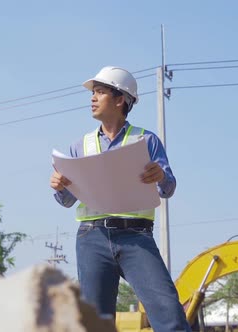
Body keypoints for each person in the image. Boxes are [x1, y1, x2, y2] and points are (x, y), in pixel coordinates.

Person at [50, 66, 191, 331]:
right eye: (93, 93)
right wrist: (59, 186)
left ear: (120, 100)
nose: (92, 98)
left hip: (136, 238)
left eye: (100, 92)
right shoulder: (78, 146)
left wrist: (160, 175)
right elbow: (67, 200)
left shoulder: (146, 140)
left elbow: (168, 188)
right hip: (92, 239)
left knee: (169, 314)